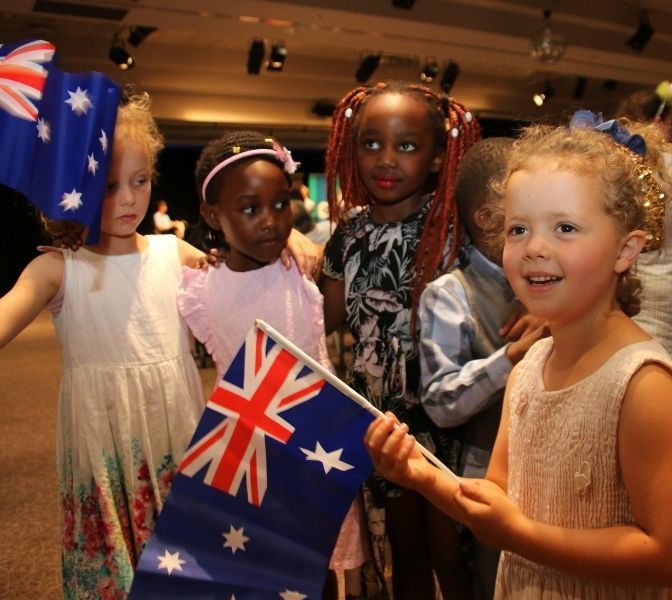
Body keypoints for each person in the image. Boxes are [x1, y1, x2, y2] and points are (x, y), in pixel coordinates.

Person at [365, 119, 672, 599]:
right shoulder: (529, 367)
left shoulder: (642, 385)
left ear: (626, 248)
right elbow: (498, 504)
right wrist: (418, 475)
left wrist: (522, 536)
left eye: (565, 228)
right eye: (518, 229)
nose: (534, 248)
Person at [0, 93, 209, 597]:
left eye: (140, 181)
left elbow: (243, 282)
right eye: (109, 186)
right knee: (116, 575)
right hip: (103, 447)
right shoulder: (57, 267)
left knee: (190, 566)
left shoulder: (174, 253)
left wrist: (282, 242)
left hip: (176, 431)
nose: (129, 199)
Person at [177, 130, 365, 599]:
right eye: (249, 208)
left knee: (317, 569)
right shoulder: (199, 288)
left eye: (280, 205)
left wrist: (299, 236)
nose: (270, 222)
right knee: (254, 569)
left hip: (312, 446)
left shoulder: (300, 269)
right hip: (247, 454)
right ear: (211, 215)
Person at [321, 81, 481, 600]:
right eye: (371, 143)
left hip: (444, 416)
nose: (386, 159)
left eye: (407, 145)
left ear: (438, 157)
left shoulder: (456, 228)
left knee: (455, 552)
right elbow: (322, 316)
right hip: (380, 419)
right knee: (403, 551)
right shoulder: (349, 233)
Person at [419, 136, 547, 600]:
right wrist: (510, 358)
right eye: (524, 217)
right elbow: (439, 403)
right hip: (495, 482)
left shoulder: (552, 281)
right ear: (490, 221)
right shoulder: (451, 295)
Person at [616, 81, 672, 357]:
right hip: (671, 283)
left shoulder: (616, 158)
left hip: (623, 281)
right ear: (661, 121)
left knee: (624, 360)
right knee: (666, 364)